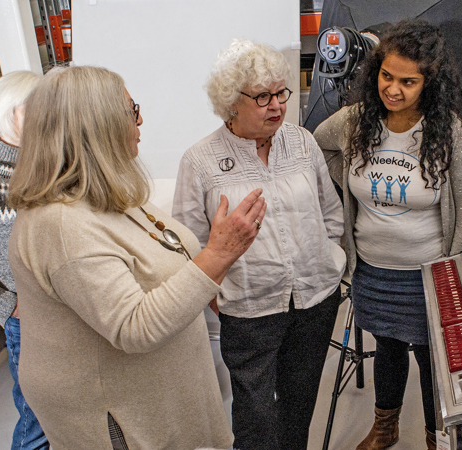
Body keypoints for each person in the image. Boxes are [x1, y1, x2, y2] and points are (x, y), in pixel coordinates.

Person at [7, 65, 267, 449]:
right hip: (118, 418)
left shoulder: (100, 195)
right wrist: (219, 253)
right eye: (132, 111)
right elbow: (134, 326)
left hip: (154, 398)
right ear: (100, 127)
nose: (140, 119)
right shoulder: (62, 225)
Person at [314, 19, 462, 450]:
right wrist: (349, 179)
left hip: (428, 275)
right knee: (387, 346)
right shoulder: (356, 122)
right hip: (373, 269)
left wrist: (451, 277)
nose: (393, 89)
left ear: (429, 83)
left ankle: (435, 436)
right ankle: (385, 427)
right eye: (387, 76)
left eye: (408, 82)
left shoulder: (449, 133)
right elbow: (319, 145)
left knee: (431, 359)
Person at [172, 40, 344, 450]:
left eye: (281, 93)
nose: (277, 106)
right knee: (255, 416)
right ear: (232, 103)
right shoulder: (200, 161)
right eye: (263, 97)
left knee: (299, 406)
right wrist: (214, 292)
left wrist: (330, 260)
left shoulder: (302, 142)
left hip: (314, 301)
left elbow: (330, 212)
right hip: (249, 311)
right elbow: (185, 241)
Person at [0, 70, 46, 450]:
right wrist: (5, 306)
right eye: (36, 108)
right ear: (10, 113)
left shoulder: (50, 164)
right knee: (36, 423)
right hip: (25, 320)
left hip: (69, 312)